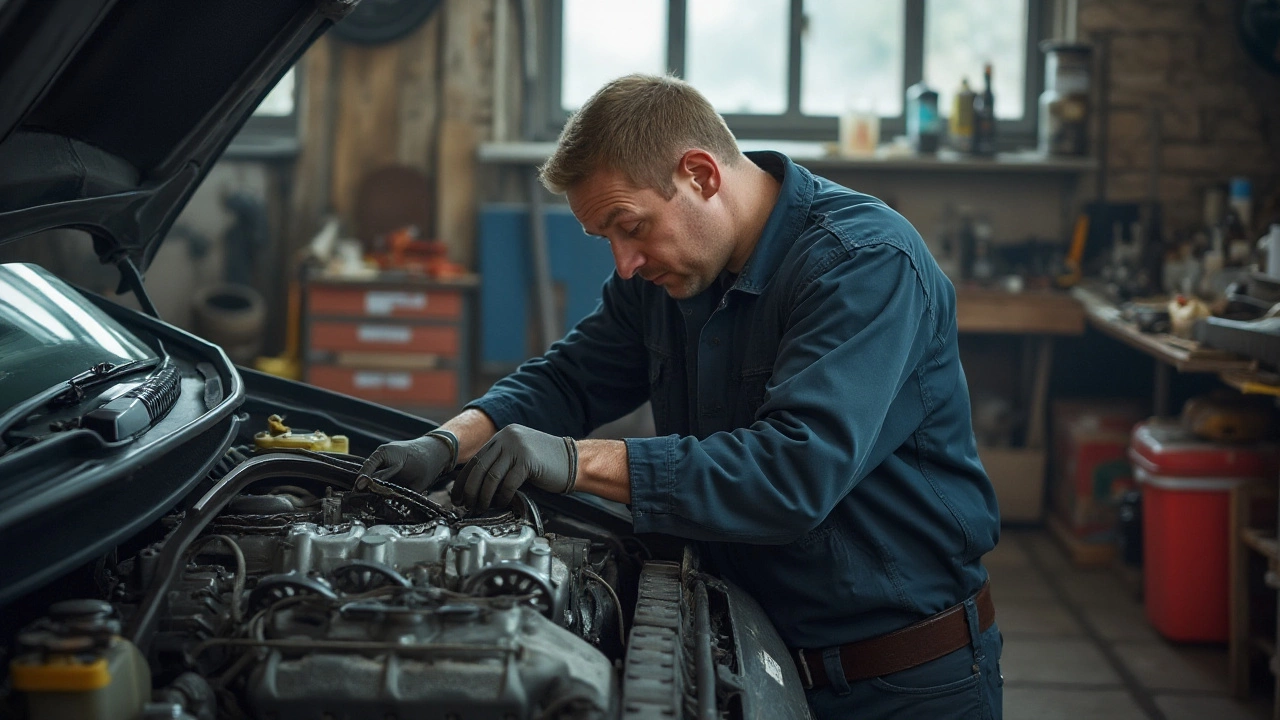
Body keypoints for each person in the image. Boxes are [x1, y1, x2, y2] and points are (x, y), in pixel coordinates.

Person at [360, 73, 1002, 720]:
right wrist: (445, 442)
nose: (624, 262)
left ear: (701, 174)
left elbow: (792, 475)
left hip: (898, 682)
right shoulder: (669, 274)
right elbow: (570, 377)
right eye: (606, 238)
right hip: (749, 650)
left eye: (630, 227)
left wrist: (576, 460)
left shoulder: (864, 264)